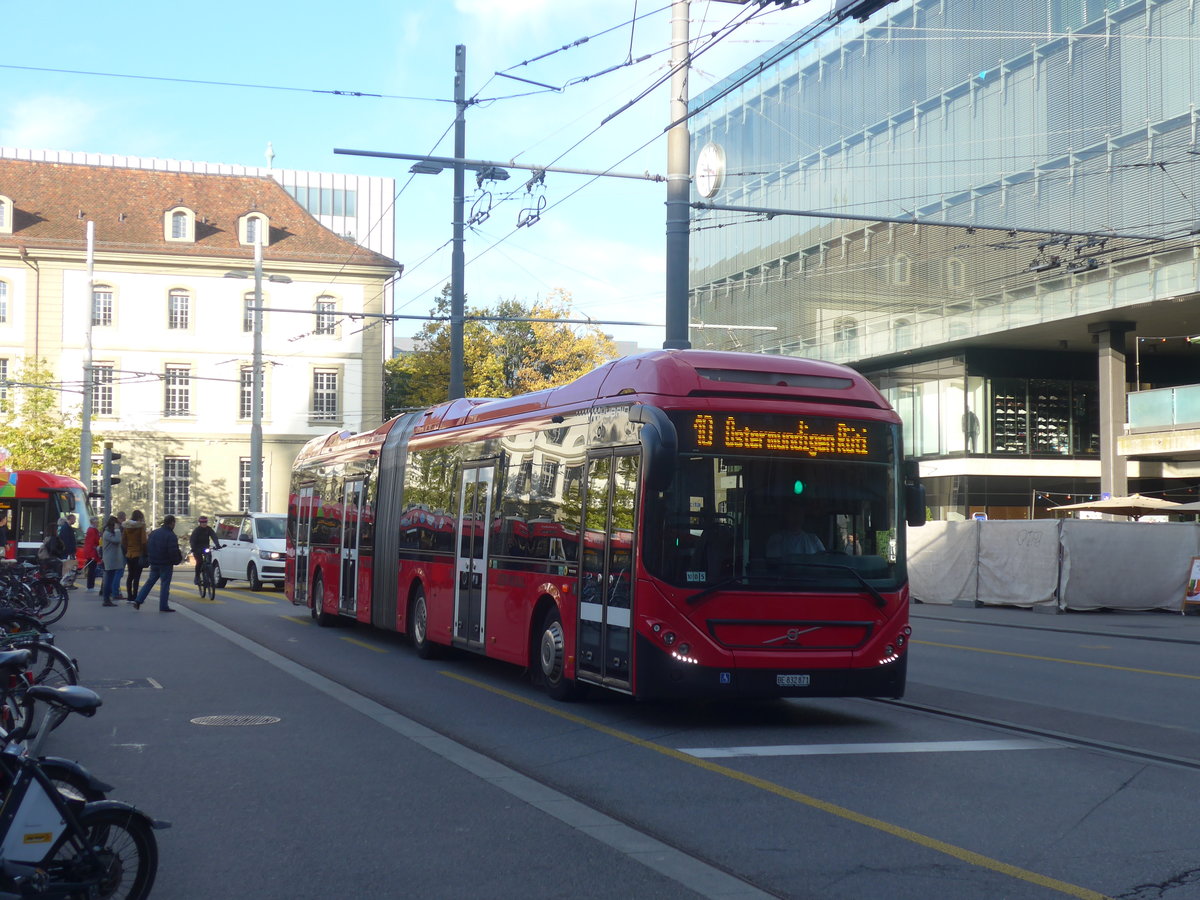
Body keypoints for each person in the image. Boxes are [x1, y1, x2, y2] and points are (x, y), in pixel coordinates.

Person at [132, 515, 183, 612]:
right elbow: (172, 551)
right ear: (172, 523)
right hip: (166, 563)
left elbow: (148, 546)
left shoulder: (154, 533)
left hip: (154, 562)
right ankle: (163, 606)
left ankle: (138, 600)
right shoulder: (171, 535)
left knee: (150, 582)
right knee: (165, 585)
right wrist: (176, 560)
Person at [122, 510, 149, 602]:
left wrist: (128, 549)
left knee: (130, 575)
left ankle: (129, 596)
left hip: (129, 554)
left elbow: (123, 540)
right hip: (138, 554)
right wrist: (145, 552)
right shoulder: (141, 526)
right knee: (137, 577)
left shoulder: (126, 526)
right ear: (140, 517)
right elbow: (144, 541)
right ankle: (135, 596)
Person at [98, 515, 125, 608]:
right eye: (116, 525)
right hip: (110, 560)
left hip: (113, 559)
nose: (118, 526)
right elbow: (117, 540)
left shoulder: (109, 533)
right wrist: (117, 530)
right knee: (108, 580)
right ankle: (106, 599)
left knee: (110, 579)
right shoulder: (107, 533)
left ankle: (107, 598)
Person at [189, 516, 222, 586]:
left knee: (209, 561)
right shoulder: (197, 530)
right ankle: (197, 577)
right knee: (199, 562)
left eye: (205, 522)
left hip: (205, 548)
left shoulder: (208, 529)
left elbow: (214, 536)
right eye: (202, 522)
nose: (204, 523)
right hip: (197, 548)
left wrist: (217, 544)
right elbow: (192, 540)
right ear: (200, 523)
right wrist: (193, 548)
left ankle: (209, 575)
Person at [57, 513, 78, 589]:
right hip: (68, 552)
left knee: (70, 568)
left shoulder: (67, 527)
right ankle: (66, 584)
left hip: (68, 552)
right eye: (74, 519)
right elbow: (66, 541)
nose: (75, 521)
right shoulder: (66, 528)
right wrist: (70, 551)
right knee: (69, 569)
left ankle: (68, 583)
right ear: (71, 519)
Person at [81, 519, 101, 591]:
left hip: (90, 551)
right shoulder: (92, 531)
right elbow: (94, 541)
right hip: (92, 552)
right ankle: (90, 586)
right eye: (97, 522)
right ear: (93, 523)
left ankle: (90, 586)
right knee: (92, 570)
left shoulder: (91, 530)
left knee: (92, 569)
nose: (98, 523)